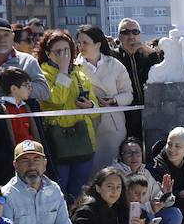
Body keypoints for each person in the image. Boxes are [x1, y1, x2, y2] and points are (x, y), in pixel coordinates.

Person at [36, 30, 96, 201]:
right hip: (58, 141)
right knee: (59, 188)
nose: (64, 55)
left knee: (79, 190)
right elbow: (56, 99)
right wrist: (62, 71)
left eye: (67, 50)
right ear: (48, 54)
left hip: (83, 140)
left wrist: (90, 105)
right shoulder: (42, 75)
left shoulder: (80, 72)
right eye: (59, 51)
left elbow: (93, 102)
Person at [75, 24, 134, 170]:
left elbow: (128, 94)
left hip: (113, 125)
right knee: (92, 173)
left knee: (113, 170)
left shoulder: (115, 65)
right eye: (79, 43)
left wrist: (114, 100)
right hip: (88, 126)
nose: (81, 46)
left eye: (85, 43)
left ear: (98, 44)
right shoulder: (75, 67)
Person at [0, 17, 48, 106]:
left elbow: (45, 92)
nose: (2, 39)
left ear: (12, 36)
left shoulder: (27, 61)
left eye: (6, 35)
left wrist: (14, 85)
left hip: (20, 118)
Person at [114, 138, 180, 224]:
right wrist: (149, 208)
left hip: (149, 212)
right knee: (148, 216)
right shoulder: (115, 174)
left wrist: (165, 196)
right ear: (121, 155)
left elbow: (158, 198)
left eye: (137, 153)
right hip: (125, 218)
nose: (134, 157)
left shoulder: (145, 173)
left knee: (175, 214)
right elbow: (122, 204)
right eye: (129, 153)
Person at [0, 67, 36, 184]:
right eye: (26, 85)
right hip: (10, 162)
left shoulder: (29, 106)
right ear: (14, 89)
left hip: (31, 156)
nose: (30, 88)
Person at [112, 18, 160, 140]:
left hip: (149, 111)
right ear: (119, 36)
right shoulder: (113, 58)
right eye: (125, 32)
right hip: (124, 114)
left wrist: (152, 53)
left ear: (140, 35)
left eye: (135, 32)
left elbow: (160, 77)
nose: (131, 36)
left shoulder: (147, 56)